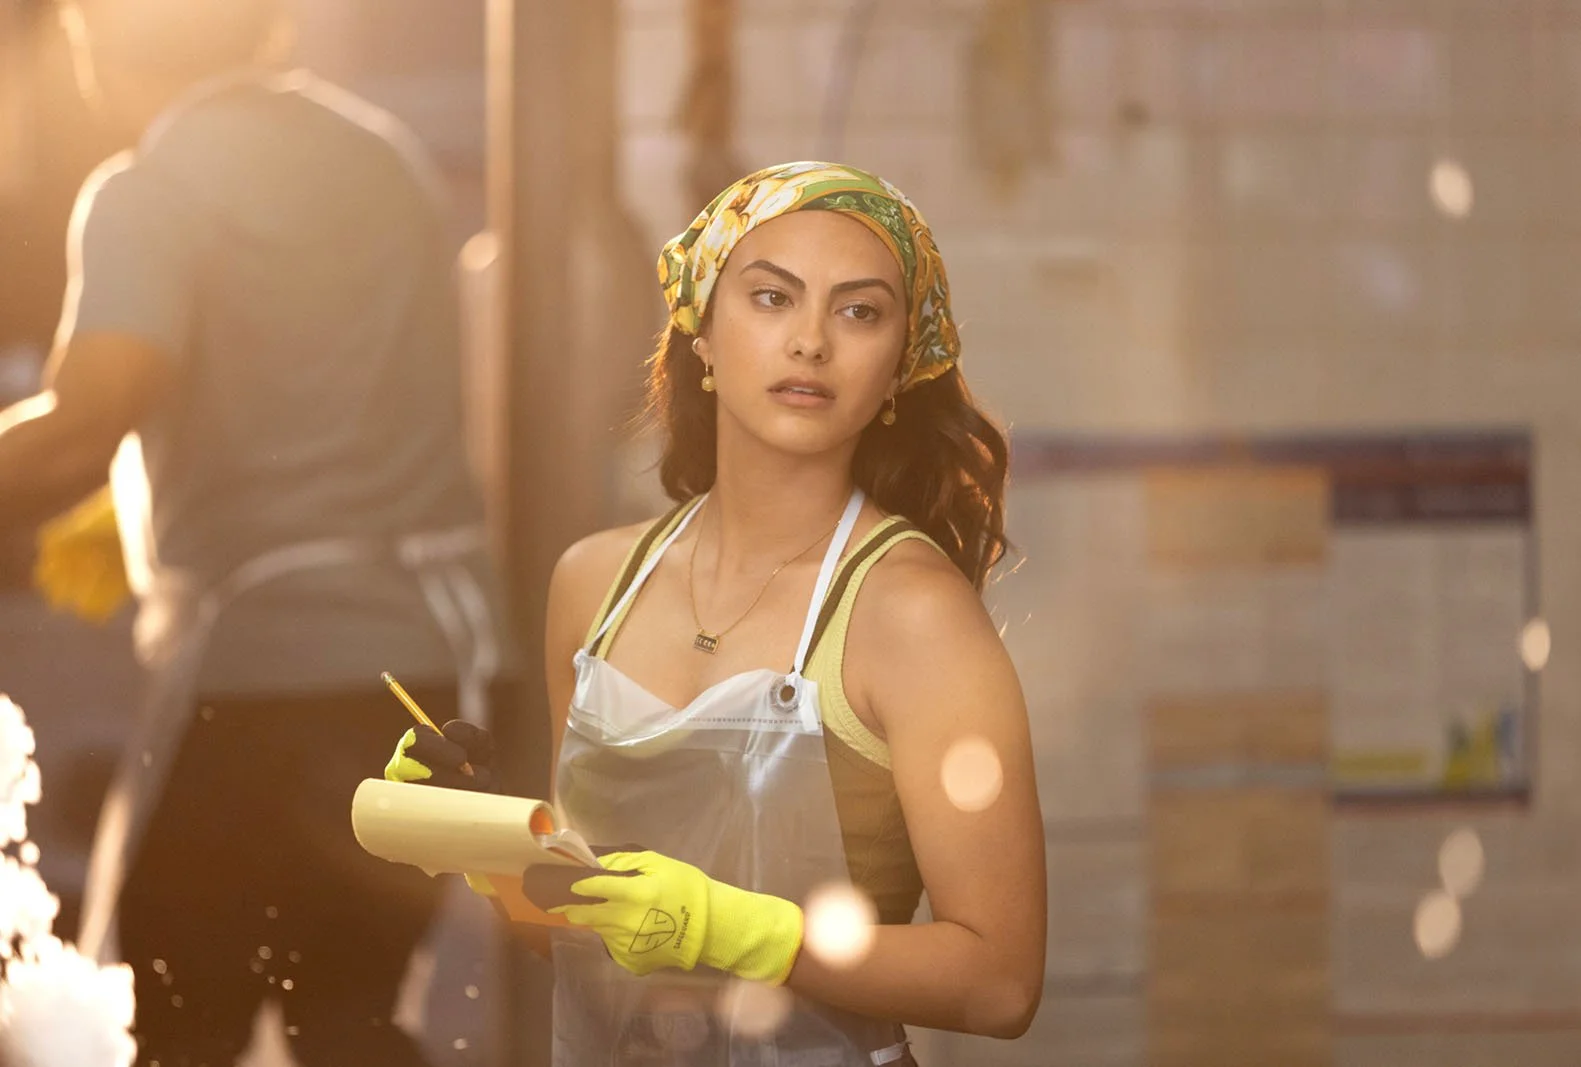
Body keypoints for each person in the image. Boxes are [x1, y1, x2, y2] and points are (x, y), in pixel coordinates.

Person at [390, 160, 1046, 1065]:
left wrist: (735, 929)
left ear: (900, 364)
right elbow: (589, 931)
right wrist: (479, 838)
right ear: (700, 329)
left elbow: (1001, 981)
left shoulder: (912, 616)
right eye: (772, 298)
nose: (811, 341)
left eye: (859, 311)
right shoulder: (593, 585)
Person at [0, 1, 513, 1063]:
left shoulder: (149, 189)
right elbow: (313, 386)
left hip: (272, 687)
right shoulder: (382, 155)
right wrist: (152, 505)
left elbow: (88, 418)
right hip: (430, 675)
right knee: (350, 1010)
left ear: (95, 46)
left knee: (175, 1015)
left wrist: (91, 466)